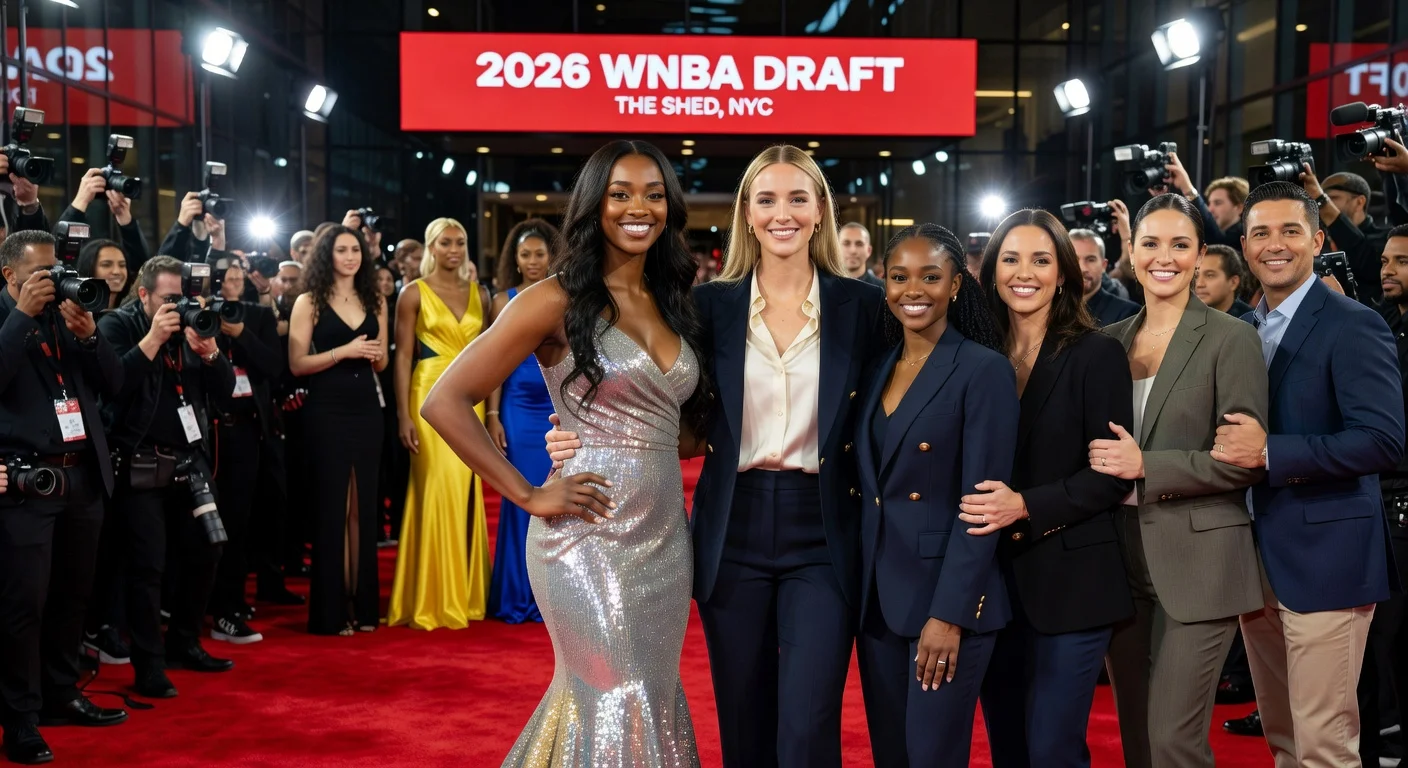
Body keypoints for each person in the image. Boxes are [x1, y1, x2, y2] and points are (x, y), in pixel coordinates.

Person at [546, 145, 885, 767]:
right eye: (766, 200)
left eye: (797, 198)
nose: (782, 214)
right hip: (733, 530)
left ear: (820, 213)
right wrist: (576, 432)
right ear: (747, 215)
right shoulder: (708, 309)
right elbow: (669, 415)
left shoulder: (864, 309)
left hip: (828, 530)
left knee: (810, 723)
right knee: (743, 718)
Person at [423, 140, 706, 764]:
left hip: (664, 538)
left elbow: (683, 434)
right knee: (617, 694)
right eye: (621, 194)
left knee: (644, 694)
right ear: (593, 206)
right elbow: (444, 401)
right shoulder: (552, 299)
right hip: (585, 534)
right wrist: (526, 493)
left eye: (654, 195)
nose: (640, 208)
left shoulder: (675, 301)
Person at [1216, 181, 1405, 768]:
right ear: (1244, 247)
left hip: (1328, 559)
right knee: (1284, 738)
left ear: (1317, 239)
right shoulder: (1241, 329)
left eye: (1291, 231)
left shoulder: (1354, 323)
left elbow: (1381, 440)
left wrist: (1270, 453)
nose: (1276, 245)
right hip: (1254, 560)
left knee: (1325, 744)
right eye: (1262, 234)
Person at [1098, 193, 1269, 768]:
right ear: (1131, 249)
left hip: (1201, 560)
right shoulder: (1110, 341)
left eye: (1180, 244)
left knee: (1174, 739)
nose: (1163, 257)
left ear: (1201, 256)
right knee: (1138, 742)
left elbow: (1242, 458)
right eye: (1150, 243)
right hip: (1120, 559)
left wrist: (1149, 467)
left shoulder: (1230, 337)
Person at [960, 211, 1135, 768]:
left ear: (1064, 273)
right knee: (1009, 749)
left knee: (1053, 750)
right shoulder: (972, 354)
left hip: (1072, 586)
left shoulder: (1096, 353)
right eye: (1010, 259)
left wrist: (1026, 505)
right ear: (991, 271)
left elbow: (1108, 475)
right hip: (990, 586)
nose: (1024, 273)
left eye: (1041, 260)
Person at [853, 223, 1016, 766]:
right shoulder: (877, 367)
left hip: (946, 605)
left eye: (930, 276)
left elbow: (983, 506)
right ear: (884, 282)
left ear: (955, 285)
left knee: (933, 757)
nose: (912, 290)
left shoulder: (982, 369)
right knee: (893, 757)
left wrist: (949, 616)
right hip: (878, 601)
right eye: (899, 277)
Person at [0, 230, 126, 764]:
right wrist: (19, 319)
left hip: (82, 478)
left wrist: (93, 337)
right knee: (23, 606)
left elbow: (115, 386)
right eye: (39, 275)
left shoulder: (69, 313)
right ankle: (21, 720)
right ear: (9, 276)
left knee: (73, 597)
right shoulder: (10, 319)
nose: (52, 283)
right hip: (26, 484)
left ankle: (62, 694)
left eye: (56, 271)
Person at [99, 255, 236, 698]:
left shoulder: (196, 324)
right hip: (140, 462)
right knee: (148, 568)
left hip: (190, 460)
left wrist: (211, 354)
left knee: (209, 548)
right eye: (168, 299)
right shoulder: (119, 324)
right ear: (144, 295)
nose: (179, 307)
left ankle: (184, 643)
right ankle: (149, 666)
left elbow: (226, 390)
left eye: (185, 298)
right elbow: (113, 384)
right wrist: (153, 340)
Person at [386, 217, 493, 630]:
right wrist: (402, 414)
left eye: (460, 242)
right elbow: (402, 357)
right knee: (433, 489)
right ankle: (430, 599)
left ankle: (464, 596)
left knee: (467, 488)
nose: (454, 248)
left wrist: (493, 409)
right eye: (445, 242)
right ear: (431, 246)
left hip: (471, 398)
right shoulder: (412, 293)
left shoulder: (480, 293)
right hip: (427, 395)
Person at [287, 225, 388, 636]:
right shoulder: (308, 301)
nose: (350, 256)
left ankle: (363, 606)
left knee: (363, 506)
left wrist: (376, 356)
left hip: (367, 408)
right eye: (342, 249)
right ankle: (330, 611)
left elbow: (380, 363)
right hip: (325, 409)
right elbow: (296, 364)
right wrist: (343, 352)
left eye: (356, 249)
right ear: (327, 254)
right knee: (333, 505)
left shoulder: (375, 298)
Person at [484, 219, 558, 624]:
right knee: (522, 498)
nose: (532, 261)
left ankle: (552, 594)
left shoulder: (563, 295)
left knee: (556, 496)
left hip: (553, 402)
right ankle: (517, 593)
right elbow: (494, 365)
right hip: (516, 404)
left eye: (539, 254)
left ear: (551, 257)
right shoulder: (502, 300)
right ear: (515, 259)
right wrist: (493, 414)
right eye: (525, 255)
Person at [207, 262, 283, 644]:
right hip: (208, 435)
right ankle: (211, 603)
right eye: (225, 279)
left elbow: (275, 366)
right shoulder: (201, 312)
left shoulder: (257, 316)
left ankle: (230, 606)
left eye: (238, 278)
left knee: (238, 525)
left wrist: (240, 334)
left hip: (248, 433)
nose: (232, 285)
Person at [1361, 224, 1408, 767]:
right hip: (1380, 499)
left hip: (1399, 500)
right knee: (1381, 644)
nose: (1387, 269)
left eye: (1401, 261)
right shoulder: (1384, 323)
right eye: (1386, 260)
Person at [1301, 168, 1387, 305]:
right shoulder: (1317, 243)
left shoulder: (1387, 239)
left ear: (1359, 202)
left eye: (1332, 198)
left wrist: (1321, 198)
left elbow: (1366, 260)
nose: (1318, 206)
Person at [1072, 227, 1139, 326]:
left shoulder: (1127, 314)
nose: (1082, 268)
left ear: (1104, 265)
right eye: (1074, 259)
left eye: (1090, 259)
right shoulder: (1048, 310)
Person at [1195, 244, 1254, 317]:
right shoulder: (1185, 317)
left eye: (1210, 275)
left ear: (1233, 282)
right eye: (1196, 276)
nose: (1199, 284)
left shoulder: (1253, 323)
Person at [75, 240, 130, 312]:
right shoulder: (75, 312)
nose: (116, 271)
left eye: (122, 265)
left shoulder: (135, 313)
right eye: (106, 265)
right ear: (88, 268)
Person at [840, 222, 883, 288]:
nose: (853, 251)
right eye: (846, 244)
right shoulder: (823, 287)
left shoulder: (884, 289)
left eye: (859, 244)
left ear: (869, 250)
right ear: (836, 249)